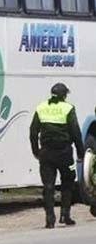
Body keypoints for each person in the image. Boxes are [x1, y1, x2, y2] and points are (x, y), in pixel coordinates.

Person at [29, 83, 84, 228]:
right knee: (68, 181)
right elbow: (75, 132)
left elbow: (33, 132)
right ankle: (65, 215)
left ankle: (49, 219)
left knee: (48, 186)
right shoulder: (68, 108)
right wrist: (80, 152)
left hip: (46, 153)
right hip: (64, 152)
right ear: (64, 95)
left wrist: (36, 151)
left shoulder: (41, 108)